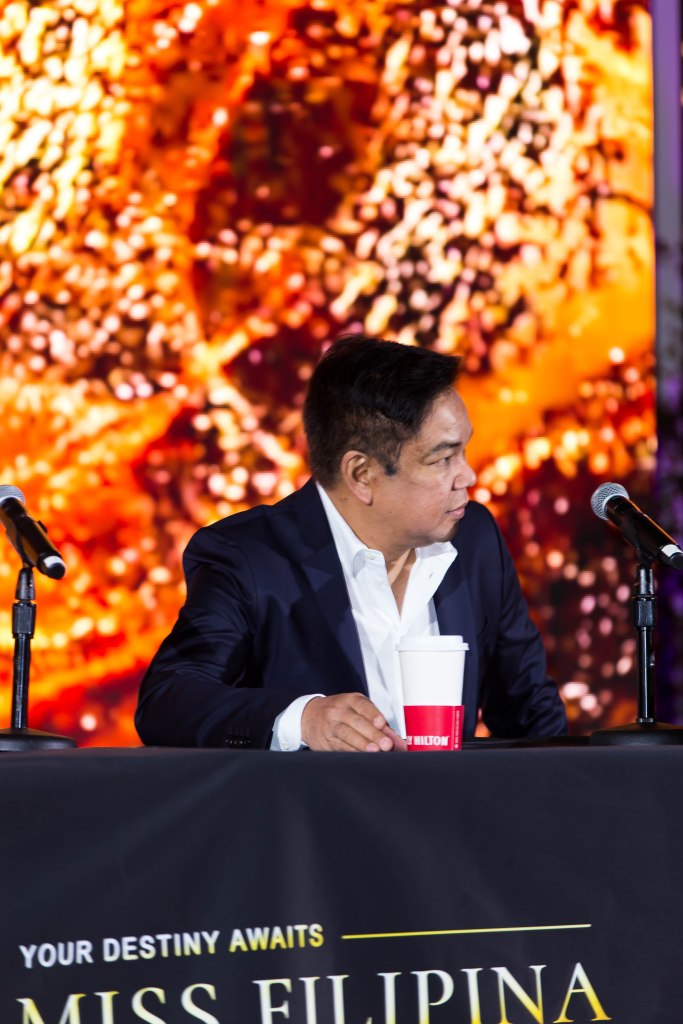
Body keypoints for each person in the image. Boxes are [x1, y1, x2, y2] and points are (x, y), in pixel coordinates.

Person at [135, 334, 566, 751]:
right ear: (361, 475)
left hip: (451, 802)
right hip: (316, 803)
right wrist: (304, 720)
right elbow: (169, 699)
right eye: (442, 459)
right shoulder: (249, 557)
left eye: (464, 452)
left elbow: (531, 717)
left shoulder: (476, 539)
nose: (467, 476)